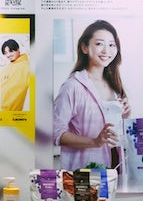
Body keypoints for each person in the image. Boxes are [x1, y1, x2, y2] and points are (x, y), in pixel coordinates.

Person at [52, 20, 132, 170]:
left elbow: (112, 129)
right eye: (99, 44)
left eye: (112, 45)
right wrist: (94, 142)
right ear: (84, 47)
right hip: (84, 171)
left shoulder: (114, 85)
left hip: (114, 168)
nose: (106, 50)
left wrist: (125, 114)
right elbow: (55, 133)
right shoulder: (73, 86)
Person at [0, 39, 31, 111]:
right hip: (4, 111)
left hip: (18, 113)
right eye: (5, 53)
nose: (8, 55)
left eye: (11, 51)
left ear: (18, 50)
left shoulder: (27, 66)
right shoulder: (7, 68)